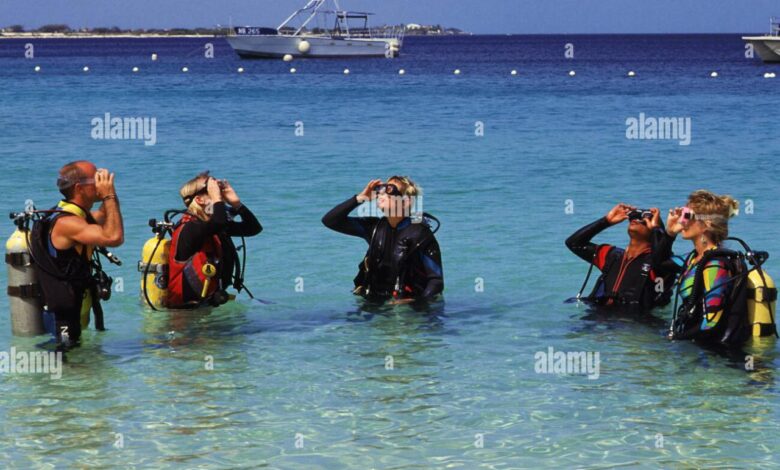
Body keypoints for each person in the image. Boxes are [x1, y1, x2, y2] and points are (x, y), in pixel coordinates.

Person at [29, 161, 124, 348]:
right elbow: (114, 236)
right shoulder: (68, 223)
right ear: (79, 188)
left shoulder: (77, 216)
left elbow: (106, 215)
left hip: (70, 313)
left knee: (79, 369)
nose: (100, 182)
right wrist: (109, 195)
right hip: (62, 319)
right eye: (95, 178)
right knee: (68, 369)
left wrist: (110, 192)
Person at [322, 176, 443, 304]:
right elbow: (330, 220)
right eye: (380, 189)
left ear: (405, 202)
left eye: (389, 189)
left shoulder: (420, 233)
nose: (381, 193)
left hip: (411, 311)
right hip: (376, 304)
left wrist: (413, 302)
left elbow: (436, 281)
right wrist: (360, 198)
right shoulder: (374, 228)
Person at [660, 190, 748, 345]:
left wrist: (676, 338)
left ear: (707, 224)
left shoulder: (715, 266)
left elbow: (711, 324)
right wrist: (669, 233)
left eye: (687, 215)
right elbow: (658, 264)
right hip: (696, 347)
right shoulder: (693, 259)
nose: (682, 221)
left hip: (713, 357)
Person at [167, 172, 262, 309]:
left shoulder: (212, 227)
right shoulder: (190, 228)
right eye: (211, 190)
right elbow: (219, 222)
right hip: (184, 314)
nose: (218, 194)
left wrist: (236, 204)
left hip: (204, 308)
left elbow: (253, 228)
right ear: (200, 200)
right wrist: (217, 199)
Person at [565, 203, 679, 314]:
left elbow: (661, 258)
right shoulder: (612, 255)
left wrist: (657, 230)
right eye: (634, 217)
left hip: (633, 324)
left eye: (645, 219)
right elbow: (574, 243)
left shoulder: (662, 263)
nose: (636, 219)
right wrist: (606, 221)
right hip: (599, 316)